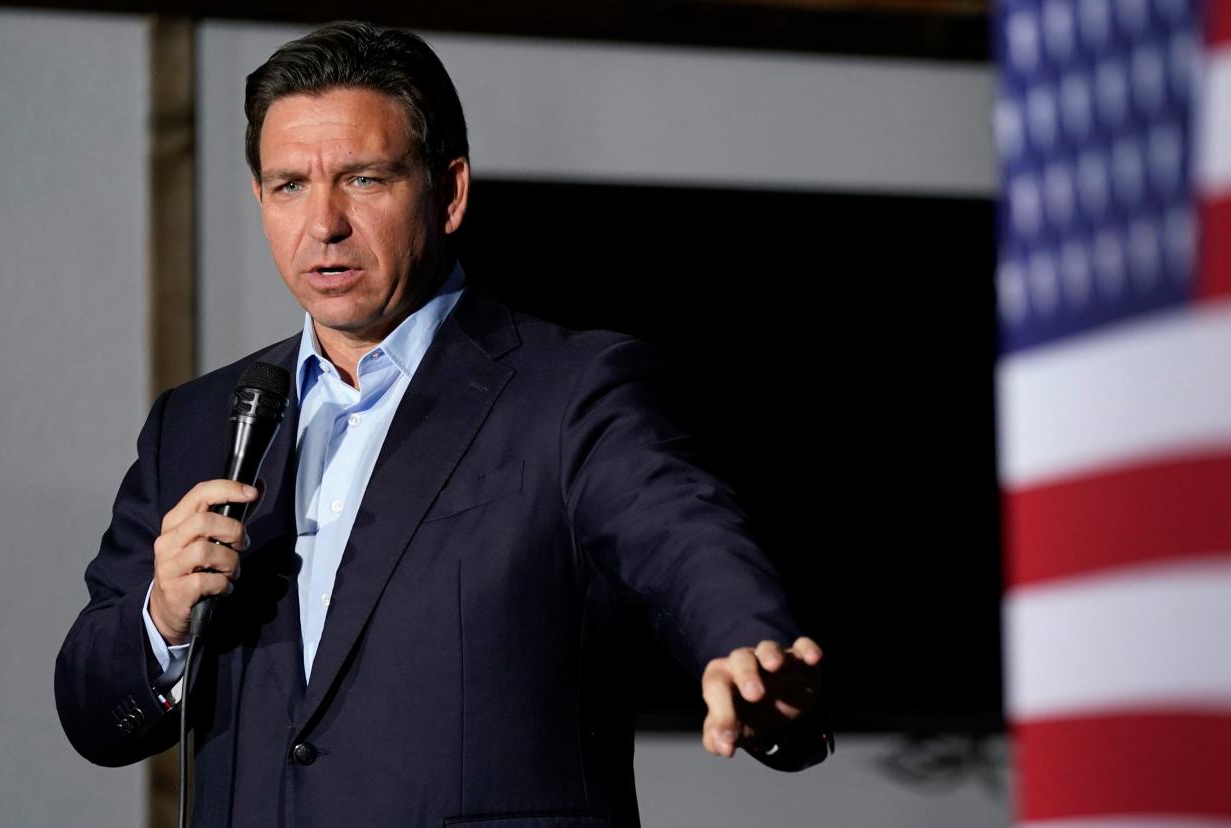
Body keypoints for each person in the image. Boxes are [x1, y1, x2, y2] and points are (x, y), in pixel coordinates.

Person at [55, 21, 831, 827]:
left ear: (449, 192)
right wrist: (162, 619)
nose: (323, 223)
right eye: (289, 185)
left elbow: (680, 535)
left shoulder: (565, 393)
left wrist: (749, 645)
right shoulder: (198, 423)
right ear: (260, 199)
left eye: (363, 180)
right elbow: (90, 709)